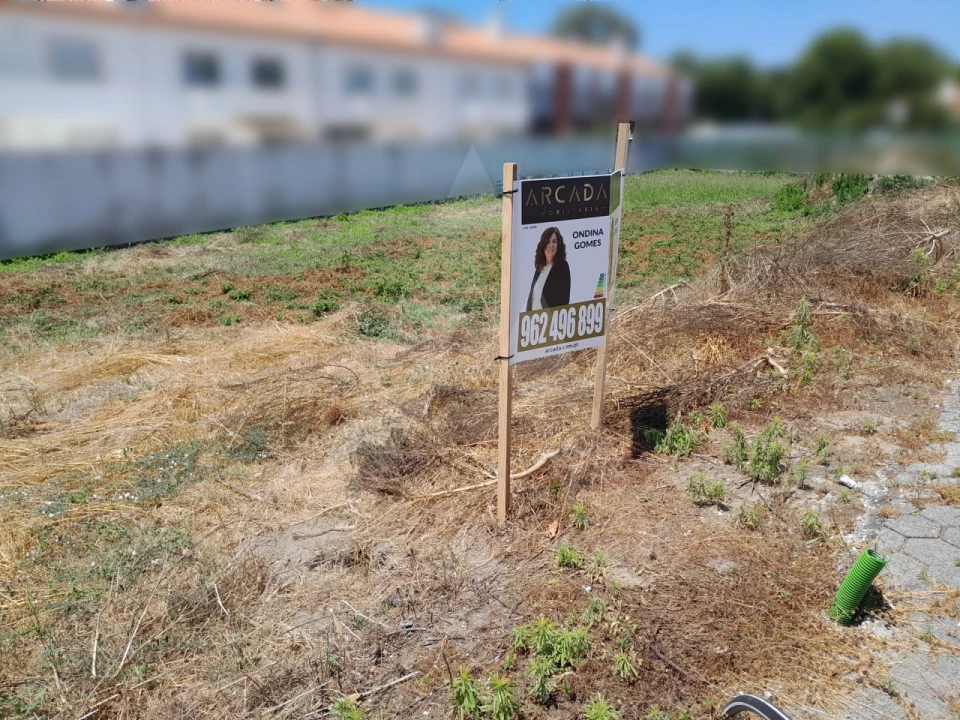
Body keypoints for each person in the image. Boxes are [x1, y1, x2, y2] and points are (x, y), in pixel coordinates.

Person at [526, 226, 571, 311]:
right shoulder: (539, 268)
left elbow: (564, 301)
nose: (551, 245)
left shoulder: (563, 267)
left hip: (550, 321)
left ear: (558, 245)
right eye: (547, 242)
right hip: (533, 321)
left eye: (554, 241)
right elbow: (531, 298)